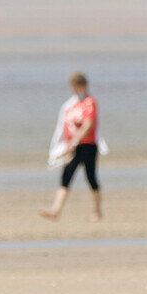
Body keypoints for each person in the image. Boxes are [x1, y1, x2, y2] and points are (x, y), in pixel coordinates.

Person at [41, 72, 105, 222]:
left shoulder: (90, 103)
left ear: (82, 86)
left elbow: (89, 124)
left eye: (75, 87)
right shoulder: (73, 104)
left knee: (91, 177)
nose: (74, 90)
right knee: (66, 175)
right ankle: (55, 211)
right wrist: (65, 144)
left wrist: (76, 141)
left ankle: (97, 211)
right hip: (73, 147)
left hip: (88, 145)